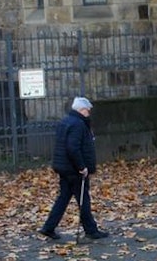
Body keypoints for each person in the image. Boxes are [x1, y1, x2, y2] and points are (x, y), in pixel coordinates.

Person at [39, 96, 109, 241]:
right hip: (74, 170)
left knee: (63, 198)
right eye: (88, 110)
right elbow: (73, 148)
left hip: (64, 167)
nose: (89, 113)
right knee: (83, 199)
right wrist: (82, 167)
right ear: (82, 110)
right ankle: (91, 230)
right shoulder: (78, 124)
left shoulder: (65, 121)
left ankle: (48, 227)